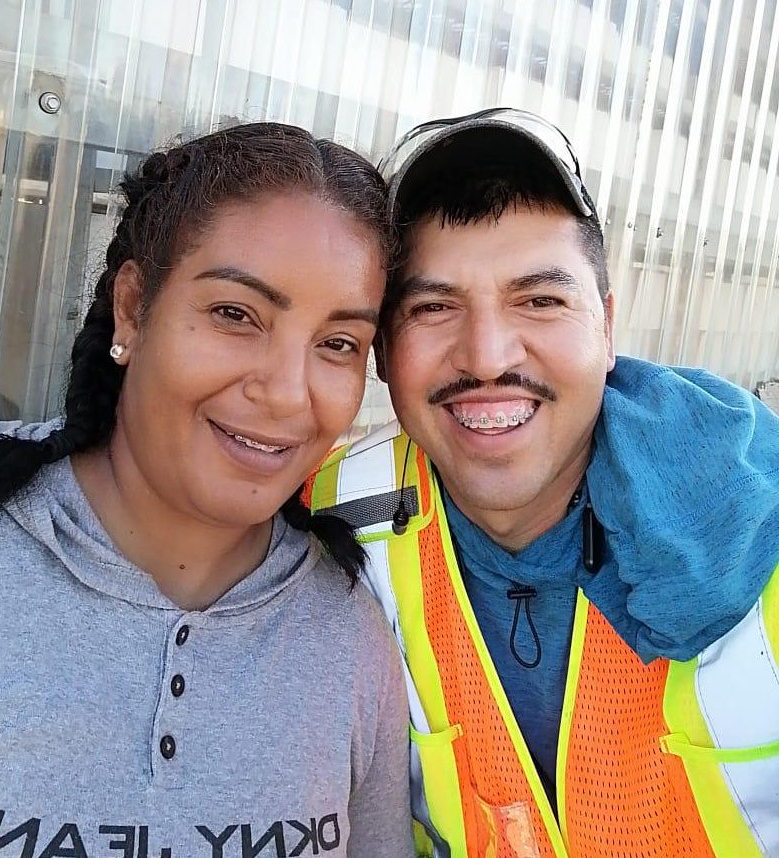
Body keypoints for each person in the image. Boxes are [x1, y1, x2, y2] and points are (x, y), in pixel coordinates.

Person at [0, 123, 415, 858]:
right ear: (132, 308)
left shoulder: (348, 638)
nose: (285, 393)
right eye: (235, 315)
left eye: (337, 343)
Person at [307, 108, 779, 857]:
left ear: (607, 325)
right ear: (383, 350)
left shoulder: (763, 522)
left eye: (539, 299)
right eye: (433, 307)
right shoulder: (322, 523)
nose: (488, 355)